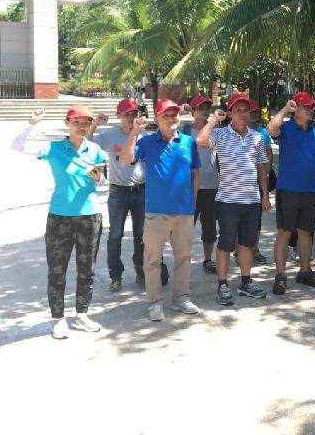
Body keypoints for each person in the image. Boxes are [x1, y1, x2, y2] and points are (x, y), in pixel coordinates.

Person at [11, 105, 106, 339]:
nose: (81, 126)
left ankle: (82, 314)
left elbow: (102, 181)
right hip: (60, 217)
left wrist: (98, 178)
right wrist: (32, 123)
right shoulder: (54, 148)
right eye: (76, 122)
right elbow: (17, 147)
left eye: (85, 122)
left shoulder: (94, 149)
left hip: (89, 216)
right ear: (67, 123)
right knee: (57, 270)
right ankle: (58, 319)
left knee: (87, 270)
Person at [121, 99, 201, 322]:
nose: (171, 118)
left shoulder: (188, 142)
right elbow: (126, 158)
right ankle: (155, 302)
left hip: (184, 212)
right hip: (156, 212)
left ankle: (181, 298)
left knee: (184, 257)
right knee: (152, 260)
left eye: (174, 114)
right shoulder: (147, 142)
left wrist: (192, 203)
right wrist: (135, 131)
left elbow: (195, 173)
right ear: (157, 119)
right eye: (165, 115)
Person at [196, 93, 271, 305]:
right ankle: (222, 285)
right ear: (229, 113)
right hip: (228, 200)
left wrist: (265, 195)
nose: (243, 114)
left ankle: (245, 282)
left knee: (247, 244)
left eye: (246, 110)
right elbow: (200, 140)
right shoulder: (220, 134)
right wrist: (213, 120)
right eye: (237, 110)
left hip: (252, 200)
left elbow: (261, 167)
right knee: (226, 244)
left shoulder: (257, 137)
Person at [88, 98, 159, 291]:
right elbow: (87, 145)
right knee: (115, 235)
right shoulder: (109, 135)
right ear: (118, 115)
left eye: (133, 114)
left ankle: (141, 272)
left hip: (141, 190)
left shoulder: (144, 136)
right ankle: (116, 276)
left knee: (141, 235)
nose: (130, 117)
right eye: (126, 114)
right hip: (118, 192)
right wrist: (94, 125)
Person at [267, 92, 315, 294]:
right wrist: (285, 109)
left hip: (310, 190)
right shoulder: (286, 128)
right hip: (288, 190)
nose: (310, 110)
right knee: (285, 232)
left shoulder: (314, 131)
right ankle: (280, 276)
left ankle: (304, 271)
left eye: (312, 106)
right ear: (296, 108)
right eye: (306, 106)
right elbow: (271, 129)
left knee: (306, 232)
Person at [182, 95, 219, 274]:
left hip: (212, 186)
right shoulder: (184, 131)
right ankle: (183, 259)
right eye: (200, 108)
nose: (204, 111)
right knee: (186, 226)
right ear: (193, 111)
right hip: (190, 188)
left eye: (207, 108)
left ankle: (207, 259)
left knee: (210, 227)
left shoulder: (217, 131)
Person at [248, 99, 273, 264]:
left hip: (259, 180)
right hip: (241, 182)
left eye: (256, 111)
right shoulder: (234, 132)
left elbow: (269, 152)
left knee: (256, 218)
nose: (253, 115)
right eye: (251, 112)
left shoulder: (262, 132)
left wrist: (267, 171)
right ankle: (239, 249)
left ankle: (255, 249)